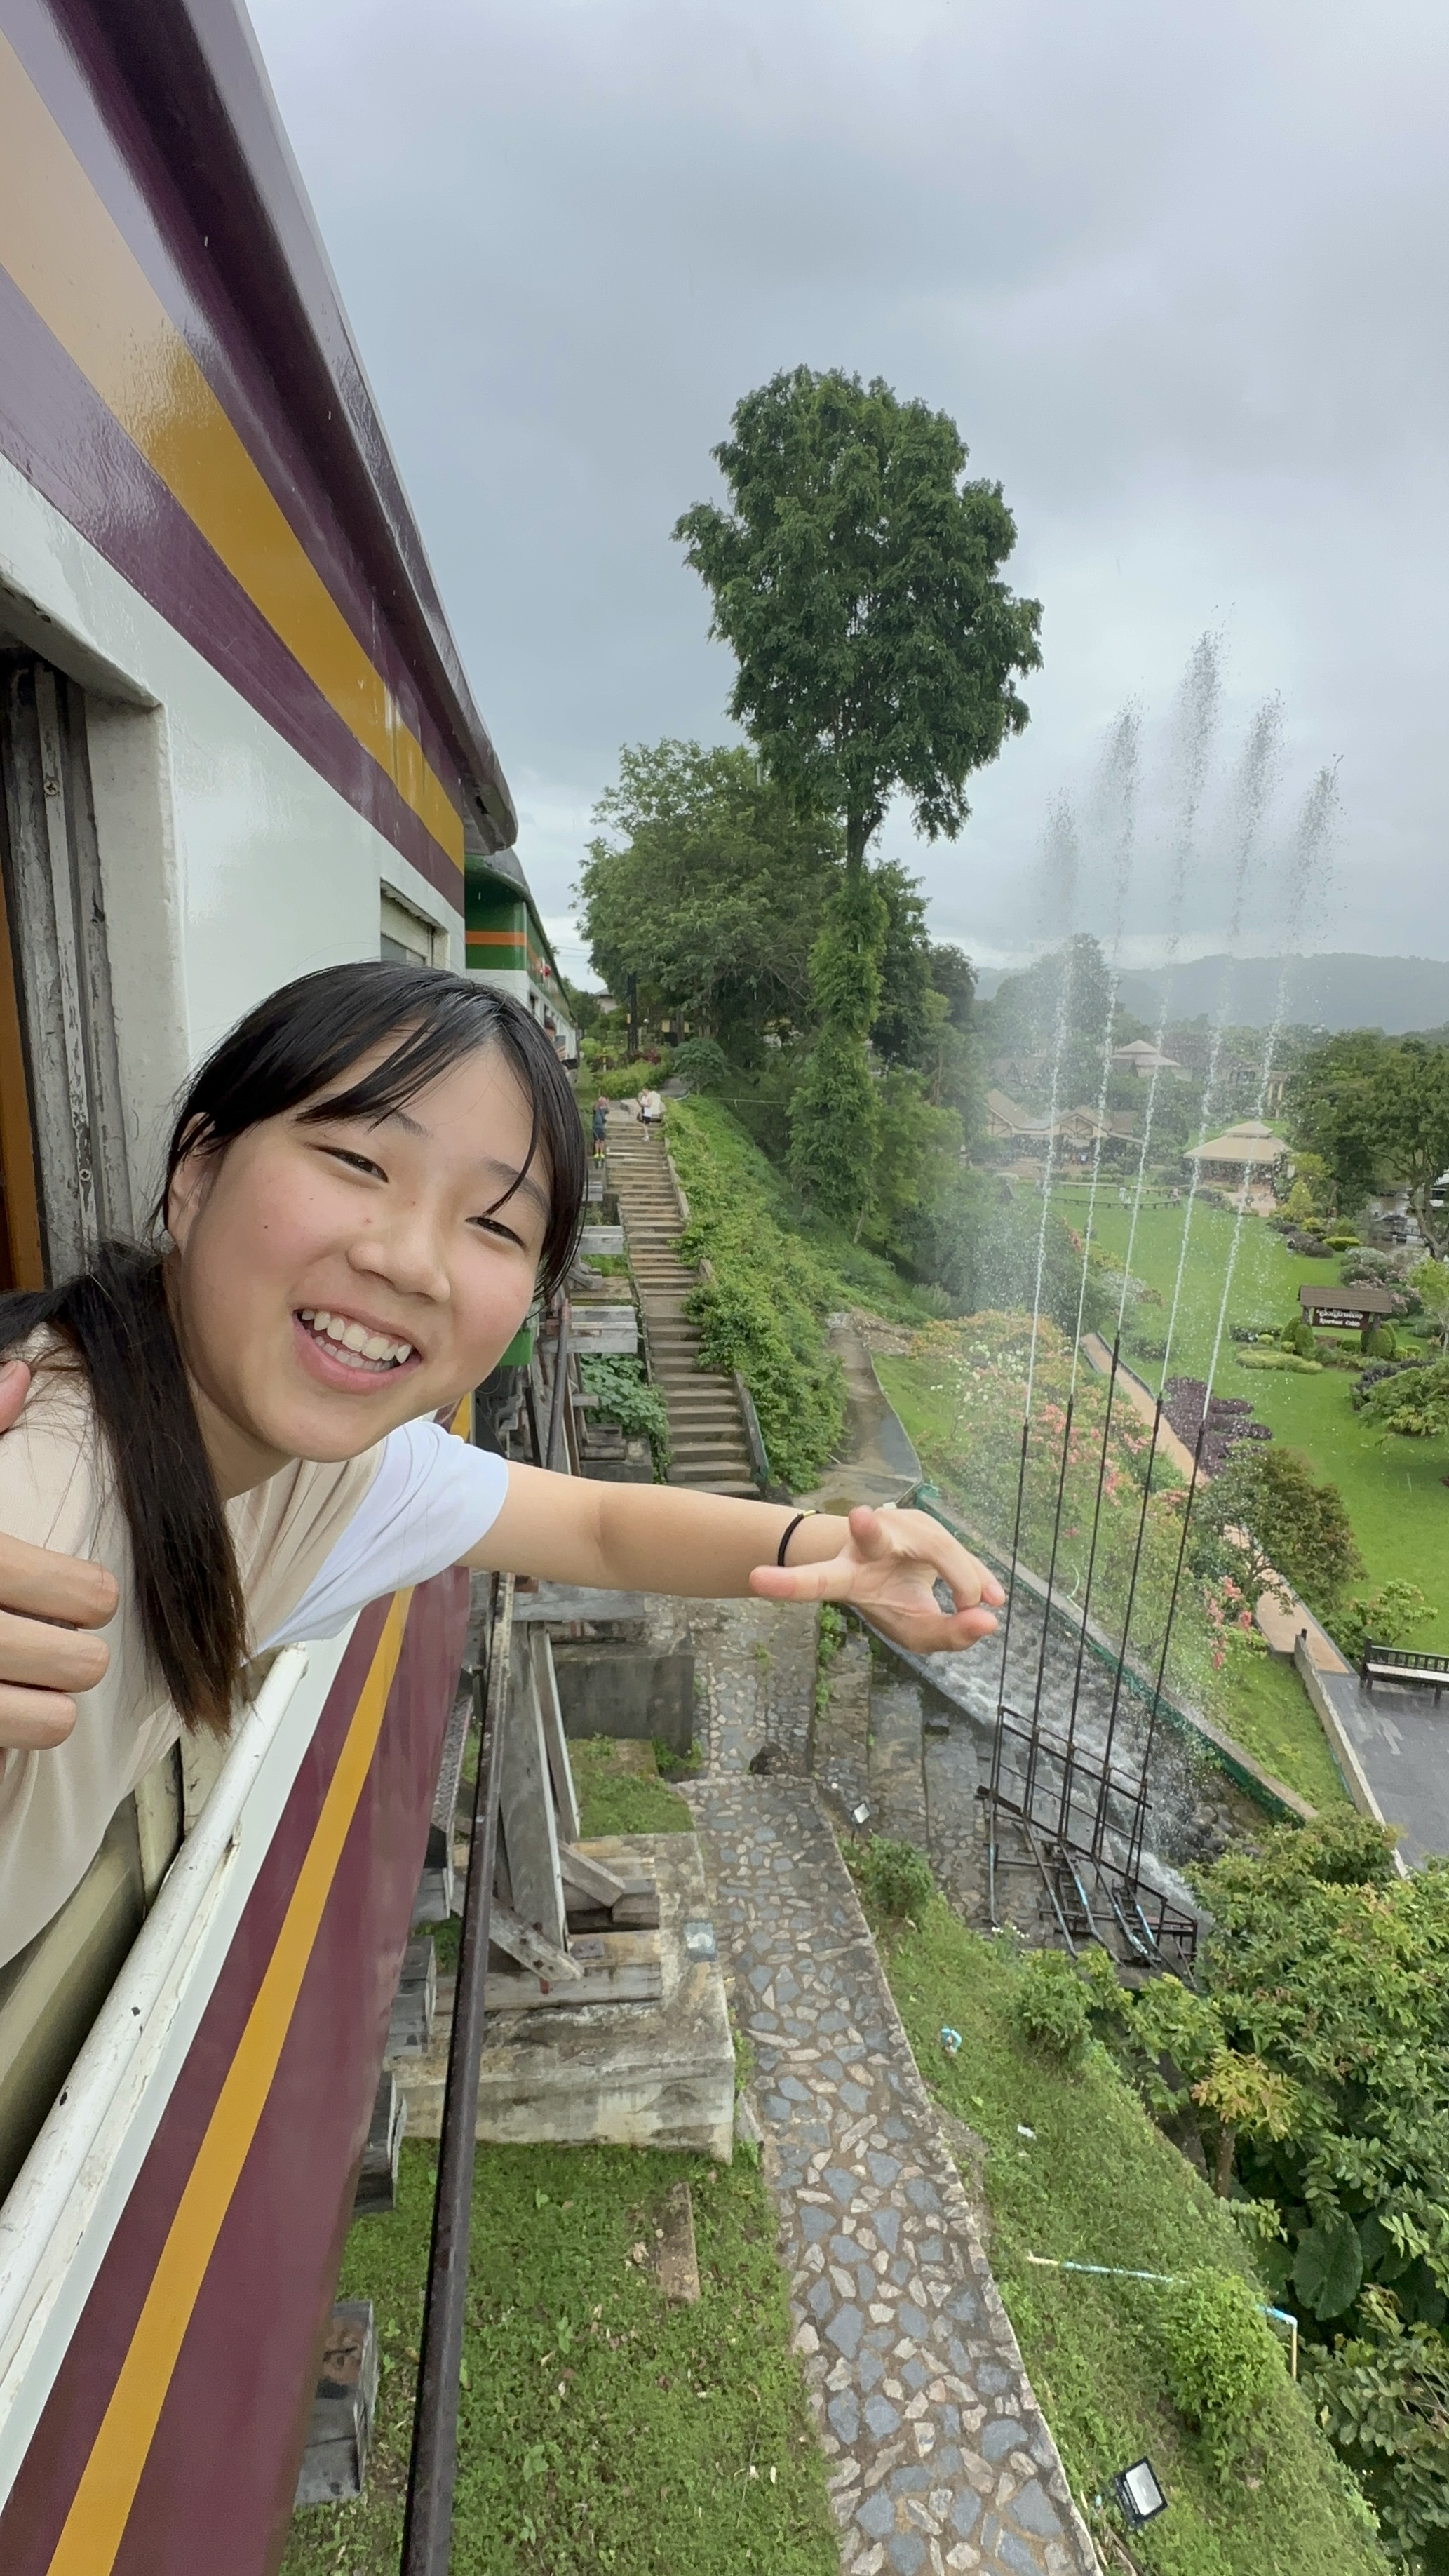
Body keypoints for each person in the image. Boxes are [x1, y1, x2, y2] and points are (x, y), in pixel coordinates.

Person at [0, 962, 1002, 1966]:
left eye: (492, 1224)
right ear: (198, 1171)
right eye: (358, 1161)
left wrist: (834, 1554)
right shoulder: (41, 1508)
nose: (411, 1262)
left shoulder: (327, 1473)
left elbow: (597, 1529)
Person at [591, 1094, 609, 1164]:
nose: (602, 1102)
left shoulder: (604, 1110)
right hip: (595, 1126)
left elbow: (608, 1111)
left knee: (602, 1140)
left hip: (602, 1127)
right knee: (596, 1141)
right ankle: (597, 1153)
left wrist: (607, 1104)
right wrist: (598, 1102)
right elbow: (594, 1108)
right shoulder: (596, 1108)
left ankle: (601, 1153)